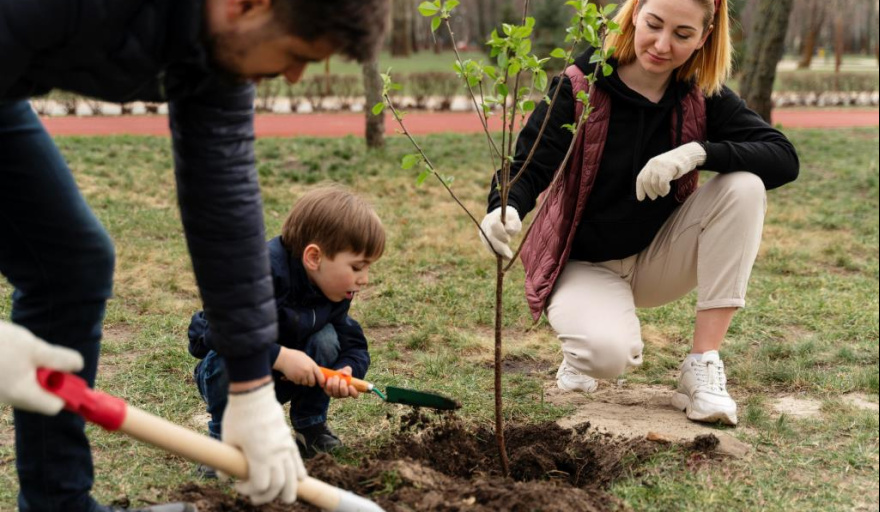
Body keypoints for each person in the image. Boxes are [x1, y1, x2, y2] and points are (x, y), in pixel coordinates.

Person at [0, 0, 388, 510]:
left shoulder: (223, 56)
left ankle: (58, 505)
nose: (295, 76)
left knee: (73, 265)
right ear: (249, 5)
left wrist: (252, 386)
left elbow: (224, 208)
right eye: (298, 53)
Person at [479, 0, 798, 426]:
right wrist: (504, 206)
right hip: (585, 265)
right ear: (634, 13)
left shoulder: (701, 95)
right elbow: (528, 167)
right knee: (606, 357)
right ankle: (583, 348)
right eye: (654, 24)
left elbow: (783, 157)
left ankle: (702, 364)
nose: (662, 45)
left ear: (703, 38)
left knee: (745, 186)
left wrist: (697, 153)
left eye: (682, 35)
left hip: (658, 260)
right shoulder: (579, 86)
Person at [187, 185, 384, 474]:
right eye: (356, 267)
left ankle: (310, 427)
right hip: (230, 377)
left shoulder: (333, 291)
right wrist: (280, 357)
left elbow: (352, 342)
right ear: (314, 257)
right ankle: (223, 443)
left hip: (282, 380)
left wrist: (346, 370)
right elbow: (222, 332)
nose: (364, 279)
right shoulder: (258, 273)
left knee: (327, 339)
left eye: (367, 268)